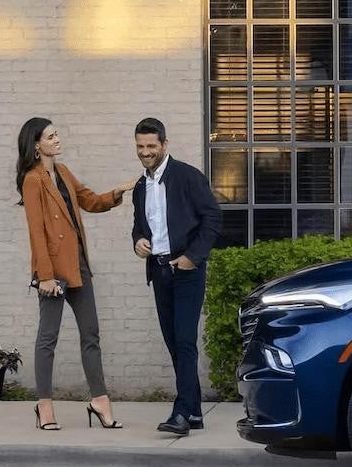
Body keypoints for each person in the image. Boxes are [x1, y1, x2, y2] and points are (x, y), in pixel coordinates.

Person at [15, 117, 135, 431]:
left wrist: (116, 192)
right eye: (50, 136)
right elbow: (36, 231)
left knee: (91, 334)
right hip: (53, 271)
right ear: (36, 145)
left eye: (56, 134)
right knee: (48, 338)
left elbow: (90, 201)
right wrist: (45, 275)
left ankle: (100, 401)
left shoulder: (64, 172)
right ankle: (44, 406)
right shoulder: (32, 180)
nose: (57, 139)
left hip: (78, 264)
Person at [128, 118, 221, 436]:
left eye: (151, 146)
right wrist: (138, 240)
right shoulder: (140, 187)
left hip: (186, 271)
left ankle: (181, 413)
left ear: (164, 145)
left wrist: (193, 257)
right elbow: (140, 225)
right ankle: (194, 411)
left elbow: (212, 217)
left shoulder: (188, 176)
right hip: (159, 271)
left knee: (184, 341)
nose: (145, 152)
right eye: (140, 146)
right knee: (174, 343)